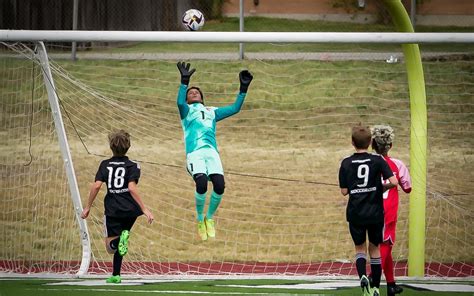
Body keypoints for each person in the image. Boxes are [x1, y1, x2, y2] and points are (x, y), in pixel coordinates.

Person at [176, 61, 253, 241]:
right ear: (187, 99)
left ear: (202, 97)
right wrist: (184, 82)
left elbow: (235, 109)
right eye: (190, 93)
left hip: (211, 153)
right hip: (195, 153)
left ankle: (209, 218)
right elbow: (179, 102)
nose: (193, 93)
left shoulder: (212, 112)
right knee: (201, 183)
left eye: (196, 92)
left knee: (219, 185)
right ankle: (199, 218)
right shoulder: (186, 112)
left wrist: (243, 88)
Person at [81, 130, 154, 283]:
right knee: (122, 243)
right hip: (131, 210)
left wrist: (87, 207)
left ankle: (118, 249)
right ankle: (116, 275)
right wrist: (143, 209)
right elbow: (132, 188)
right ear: (128, 146)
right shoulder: (134, 165)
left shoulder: (105, 164)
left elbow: (96, 187)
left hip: (114, 209)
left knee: (111, 247)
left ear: (111, 146)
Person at [338, 125, 398, 296]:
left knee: (359, 249)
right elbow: (393, 182)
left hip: (356, 212)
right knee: (375, 249)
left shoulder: (346, 163)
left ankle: (363, 277)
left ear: (352, 142)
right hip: (375, 212)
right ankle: (377, 288)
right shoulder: (378, 160)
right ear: (371, 142)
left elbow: (344, 191)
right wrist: (381, 187)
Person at [371, 125, 412, 296]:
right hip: (388, 211)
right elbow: (408, 188)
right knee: (386, 245)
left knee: (383, 246)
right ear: (391, 146)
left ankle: (391, 284)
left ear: (372, 145)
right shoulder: (397, 164)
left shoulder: (368, 162)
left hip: (370, 209)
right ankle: (372, 279)